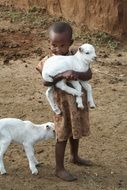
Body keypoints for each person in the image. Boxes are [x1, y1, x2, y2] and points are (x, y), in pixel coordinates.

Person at [36, 21, 93, 181]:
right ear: (49, 43)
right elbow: (46, 82)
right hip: (62, 105)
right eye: (54, 45)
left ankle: (75, 156)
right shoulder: (47, 61)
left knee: (76, 131)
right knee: (62, 135)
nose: (58, 49)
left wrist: (75, 73)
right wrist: (62, 75)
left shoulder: (79, 55)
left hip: (77, 103)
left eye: (62, 45)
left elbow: (88, 75)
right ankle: (59, 168)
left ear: (71, 43)